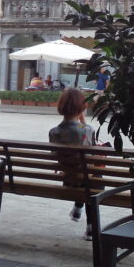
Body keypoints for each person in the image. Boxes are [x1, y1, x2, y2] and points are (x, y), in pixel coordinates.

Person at [48, 87, 95, 240]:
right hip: (88, 180)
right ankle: (91, 228)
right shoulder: (87, 130)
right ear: (82, 108)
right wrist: (83, 121)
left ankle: (78, 206)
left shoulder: (53, 132)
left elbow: (56, 156)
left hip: (68, 178)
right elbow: (91, 155)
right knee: (93, 177)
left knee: (84, 175)